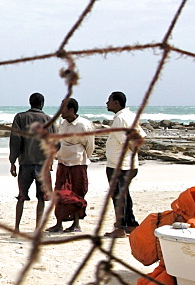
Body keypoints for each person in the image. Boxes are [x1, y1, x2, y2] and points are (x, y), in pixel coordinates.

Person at [45, 98, 94, 233]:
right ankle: (59, 223)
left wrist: (80, 157)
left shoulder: (84, 125)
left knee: (77, 193)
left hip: (77, 164)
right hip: (63, 162)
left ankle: (76, 223)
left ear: (71, 110)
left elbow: (90, 146)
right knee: (60, 192)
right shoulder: (63, 123)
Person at [8, 93, 53, 233]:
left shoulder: (20, 117)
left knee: (21, 197)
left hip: (25, 162)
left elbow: (15, 140)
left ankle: (16, 228)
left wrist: (12, 161)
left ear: (30, 102)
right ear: (42, 104)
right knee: (41, 198)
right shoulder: (48, 120)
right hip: (42, 164)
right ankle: (38, 229)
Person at [104, 91, 144, 238]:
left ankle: (121, 227)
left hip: (119, 165)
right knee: (124, 195)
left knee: (118, 197)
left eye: (109, 100)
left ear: (116, 102)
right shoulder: (131, 116)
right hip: (128, 164)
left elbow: (127, 142)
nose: (107, 103)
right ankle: (131, 224)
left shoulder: (120, 119)